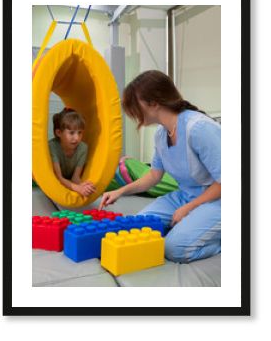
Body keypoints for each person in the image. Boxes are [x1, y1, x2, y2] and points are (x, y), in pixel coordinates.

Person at [99, 70, 221, 263]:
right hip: (186, 195)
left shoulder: (199, 128)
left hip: (218, 200)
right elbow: (154, 176)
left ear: (153, 103)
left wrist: (189, 208)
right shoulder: (161, 134)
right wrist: (120, 192)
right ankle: (189, 226)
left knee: (174, 249)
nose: (132, 113)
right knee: (136, 228)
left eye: (134, 105)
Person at [49, 108, 96, 197]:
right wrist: (78, 188)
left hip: (68, 180)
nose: (77, 138)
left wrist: (83, 186)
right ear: (59, 133)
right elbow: (58, 178)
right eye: (71, 133)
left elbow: (75, 177)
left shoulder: (83, 148)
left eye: (80, 133)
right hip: (56, 181)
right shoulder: (53, 147)